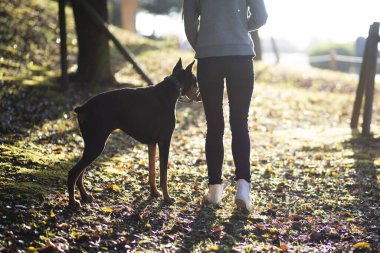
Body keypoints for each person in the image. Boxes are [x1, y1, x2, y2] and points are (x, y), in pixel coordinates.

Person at [183, 0, 268, 211]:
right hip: (240, 56)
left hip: (209, 58)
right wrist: (236, 24)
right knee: (240, 122)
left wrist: (204, 43)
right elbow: (261, 16)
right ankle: (243, 188)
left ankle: (214, 190)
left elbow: (190, 22)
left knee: (214, 125)